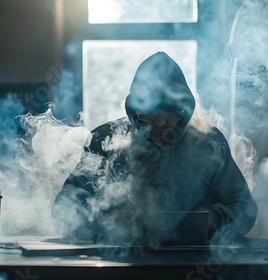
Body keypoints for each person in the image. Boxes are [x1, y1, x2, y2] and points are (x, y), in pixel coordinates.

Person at [52, 52, 257, 245]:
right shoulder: (105, 139)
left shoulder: (208, 143)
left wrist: (201, 224)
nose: (159, 124)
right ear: (135, 111)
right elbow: (64, 207)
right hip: (116, 262)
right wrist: (109, 222)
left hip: (192, 264)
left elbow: (243, 208)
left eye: (169, 114)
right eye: (150, 114)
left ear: (183, 111)